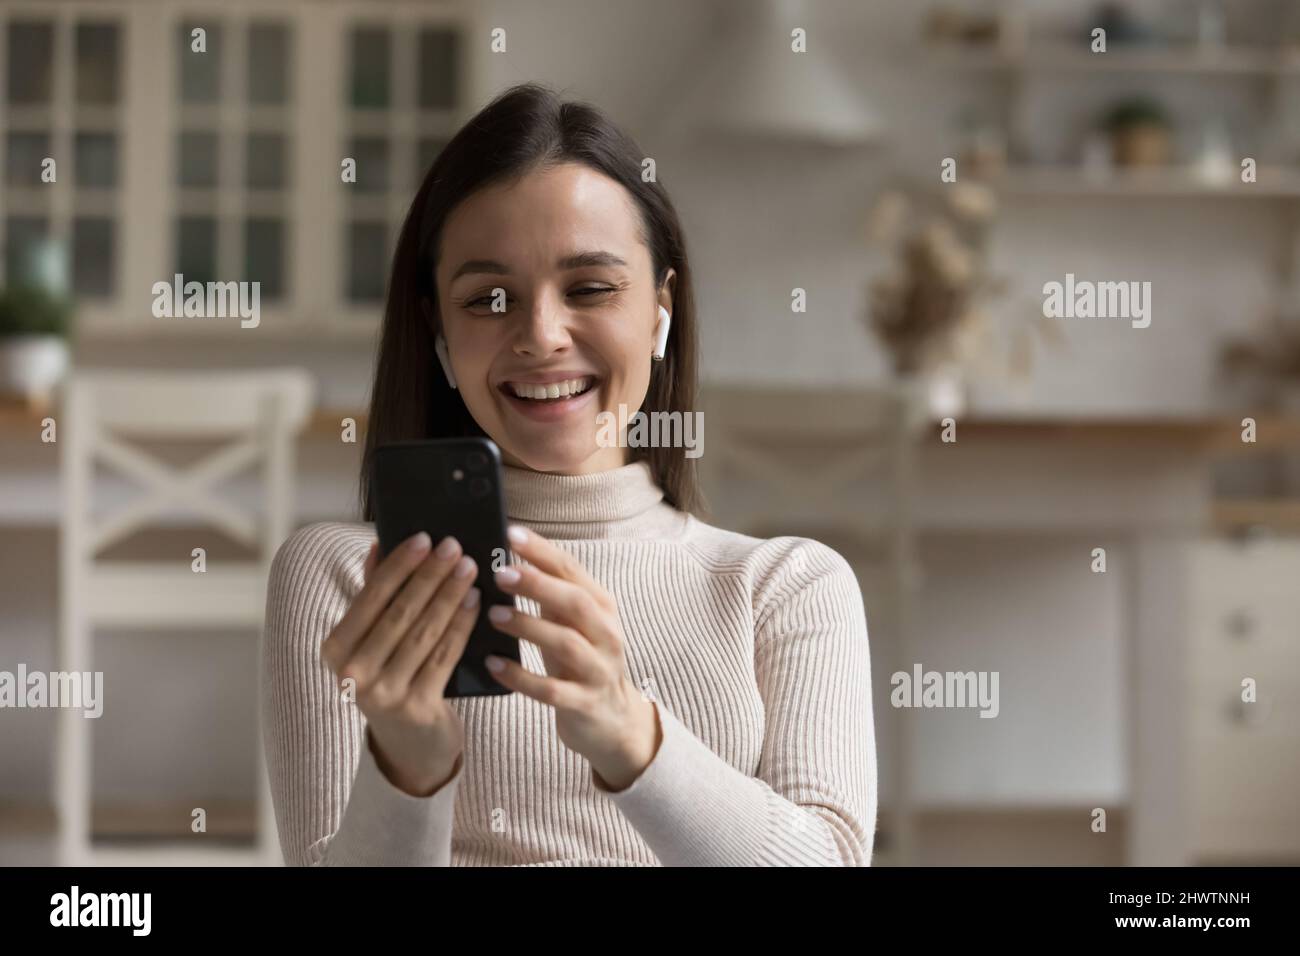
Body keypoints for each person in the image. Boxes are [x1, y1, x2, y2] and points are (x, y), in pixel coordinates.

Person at [261, 82, 876, 866]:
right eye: (489, 299)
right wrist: (409, 769)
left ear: (660, 312)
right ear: (438, 332)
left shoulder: (785, 586)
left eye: (589, 288)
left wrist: (633, 739)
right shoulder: (352, 577)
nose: (541, 335)